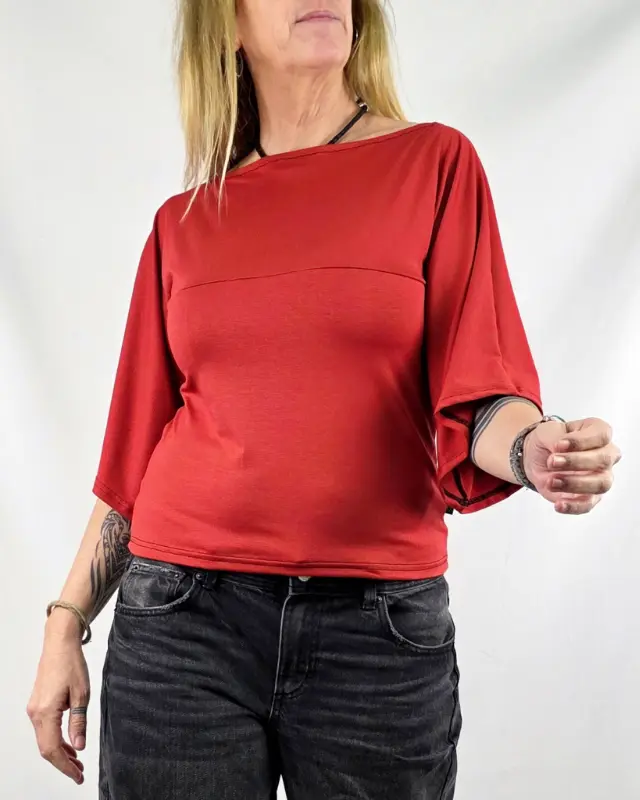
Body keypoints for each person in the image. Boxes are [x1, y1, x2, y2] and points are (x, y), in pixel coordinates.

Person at [27, 1, 621, 798]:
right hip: (182, 621)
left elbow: (481, 396)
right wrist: (65, 621)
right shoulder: (183, 224)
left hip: (375, 631)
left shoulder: (434, 165)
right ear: (227, 26)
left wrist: (532, 448)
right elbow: (131, 462)